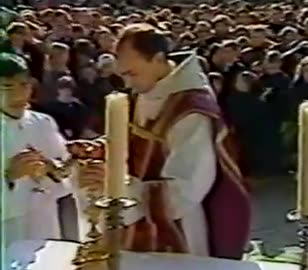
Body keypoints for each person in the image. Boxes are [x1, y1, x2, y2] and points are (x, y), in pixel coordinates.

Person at [77, 23, 251, 259]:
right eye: (123, 74)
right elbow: (137, 145)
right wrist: (98, 150)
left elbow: (186, 192)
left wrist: (118, 184)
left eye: (132, 74)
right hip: (130, 221)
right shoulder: (149, 88)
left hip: (175, 230)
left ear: (158, 59)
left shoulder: (190, 110)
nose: (127, 85)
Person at [0, 52, 79, 264]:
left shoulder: (43, 122)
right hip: (7, 228)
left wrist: (57, 169)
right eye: (7, 87)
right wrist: (9, 177)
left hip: (44, 220)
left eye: (24, 85)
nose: (18, 94)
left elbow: (64, 170)